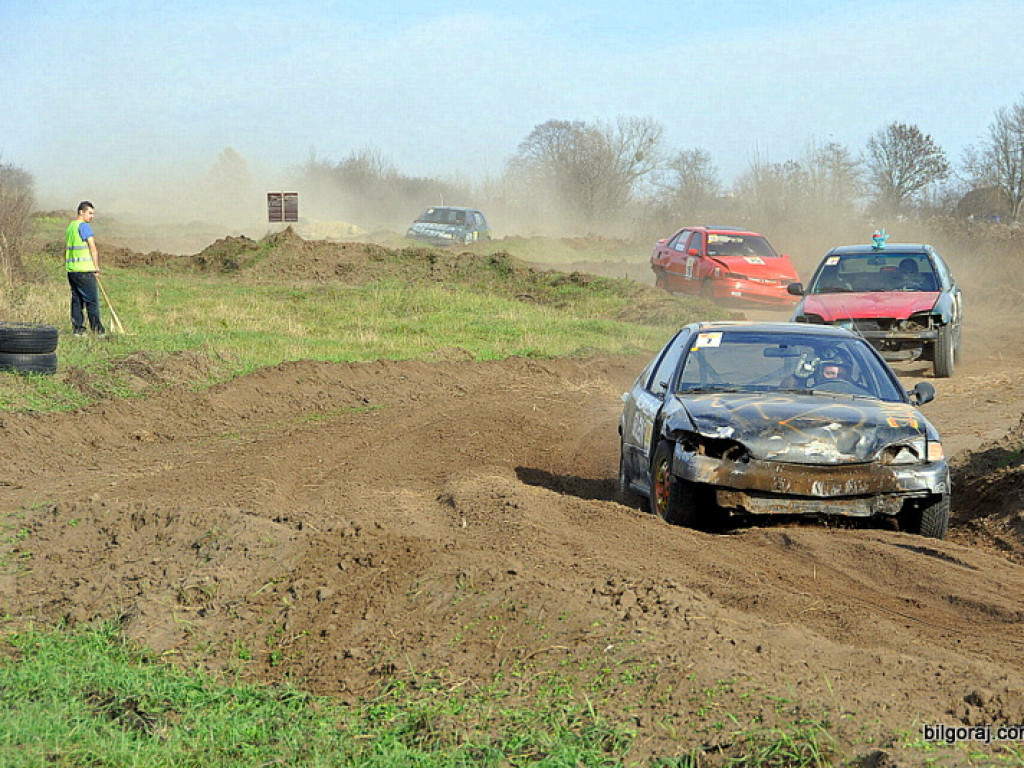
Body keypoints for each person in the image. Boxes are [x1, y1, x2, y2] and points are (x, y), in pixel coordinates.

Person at [65, 201, 105, 336]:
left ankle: (78, 330)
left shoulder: (71, 227)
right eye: (90, 213)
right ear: (81, 212)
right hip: (84, 270)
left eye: (93, 214)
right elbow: (93, 248)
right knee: (92, 301)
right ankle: (98, 331)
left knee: (76, 301)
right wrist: (96, 267)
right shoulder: (84, 226)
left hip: (72, 270)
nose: (92, 216)